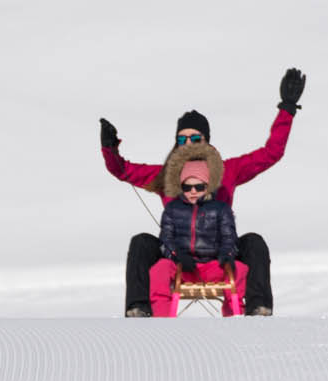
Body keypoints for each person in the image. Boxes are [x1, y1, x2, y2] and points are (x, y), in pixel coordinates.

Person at [101, 67, 304, 317]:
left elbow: (271, 153)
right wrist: (110, 149)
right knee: (141, 242)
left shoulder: (229, 170)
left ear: (206, 140)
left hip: (220, 256)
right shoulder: (166, 175)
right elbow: (122, 171)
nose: (188, 145)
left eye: (195, 139)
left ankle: (256, 310)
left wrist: (287, 109)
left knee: (254, 242)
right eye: (182, 140)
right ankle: (139, 310)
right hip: (177, 255)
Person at [149, 148, 246, 316]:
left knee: (239, 268)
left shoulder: (220, 209)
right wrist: (177, 255)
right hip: (183, 267)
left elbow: (229, 237)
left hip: (211, 265)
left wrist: (226, 255)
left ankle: (233, 315)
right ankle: (161, 317)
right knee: (160, 268)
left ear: (207, 186)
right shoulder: (173, 209)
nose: (192, 191)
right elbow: (166, 238)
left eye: (198, 186)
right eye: (187, 187)